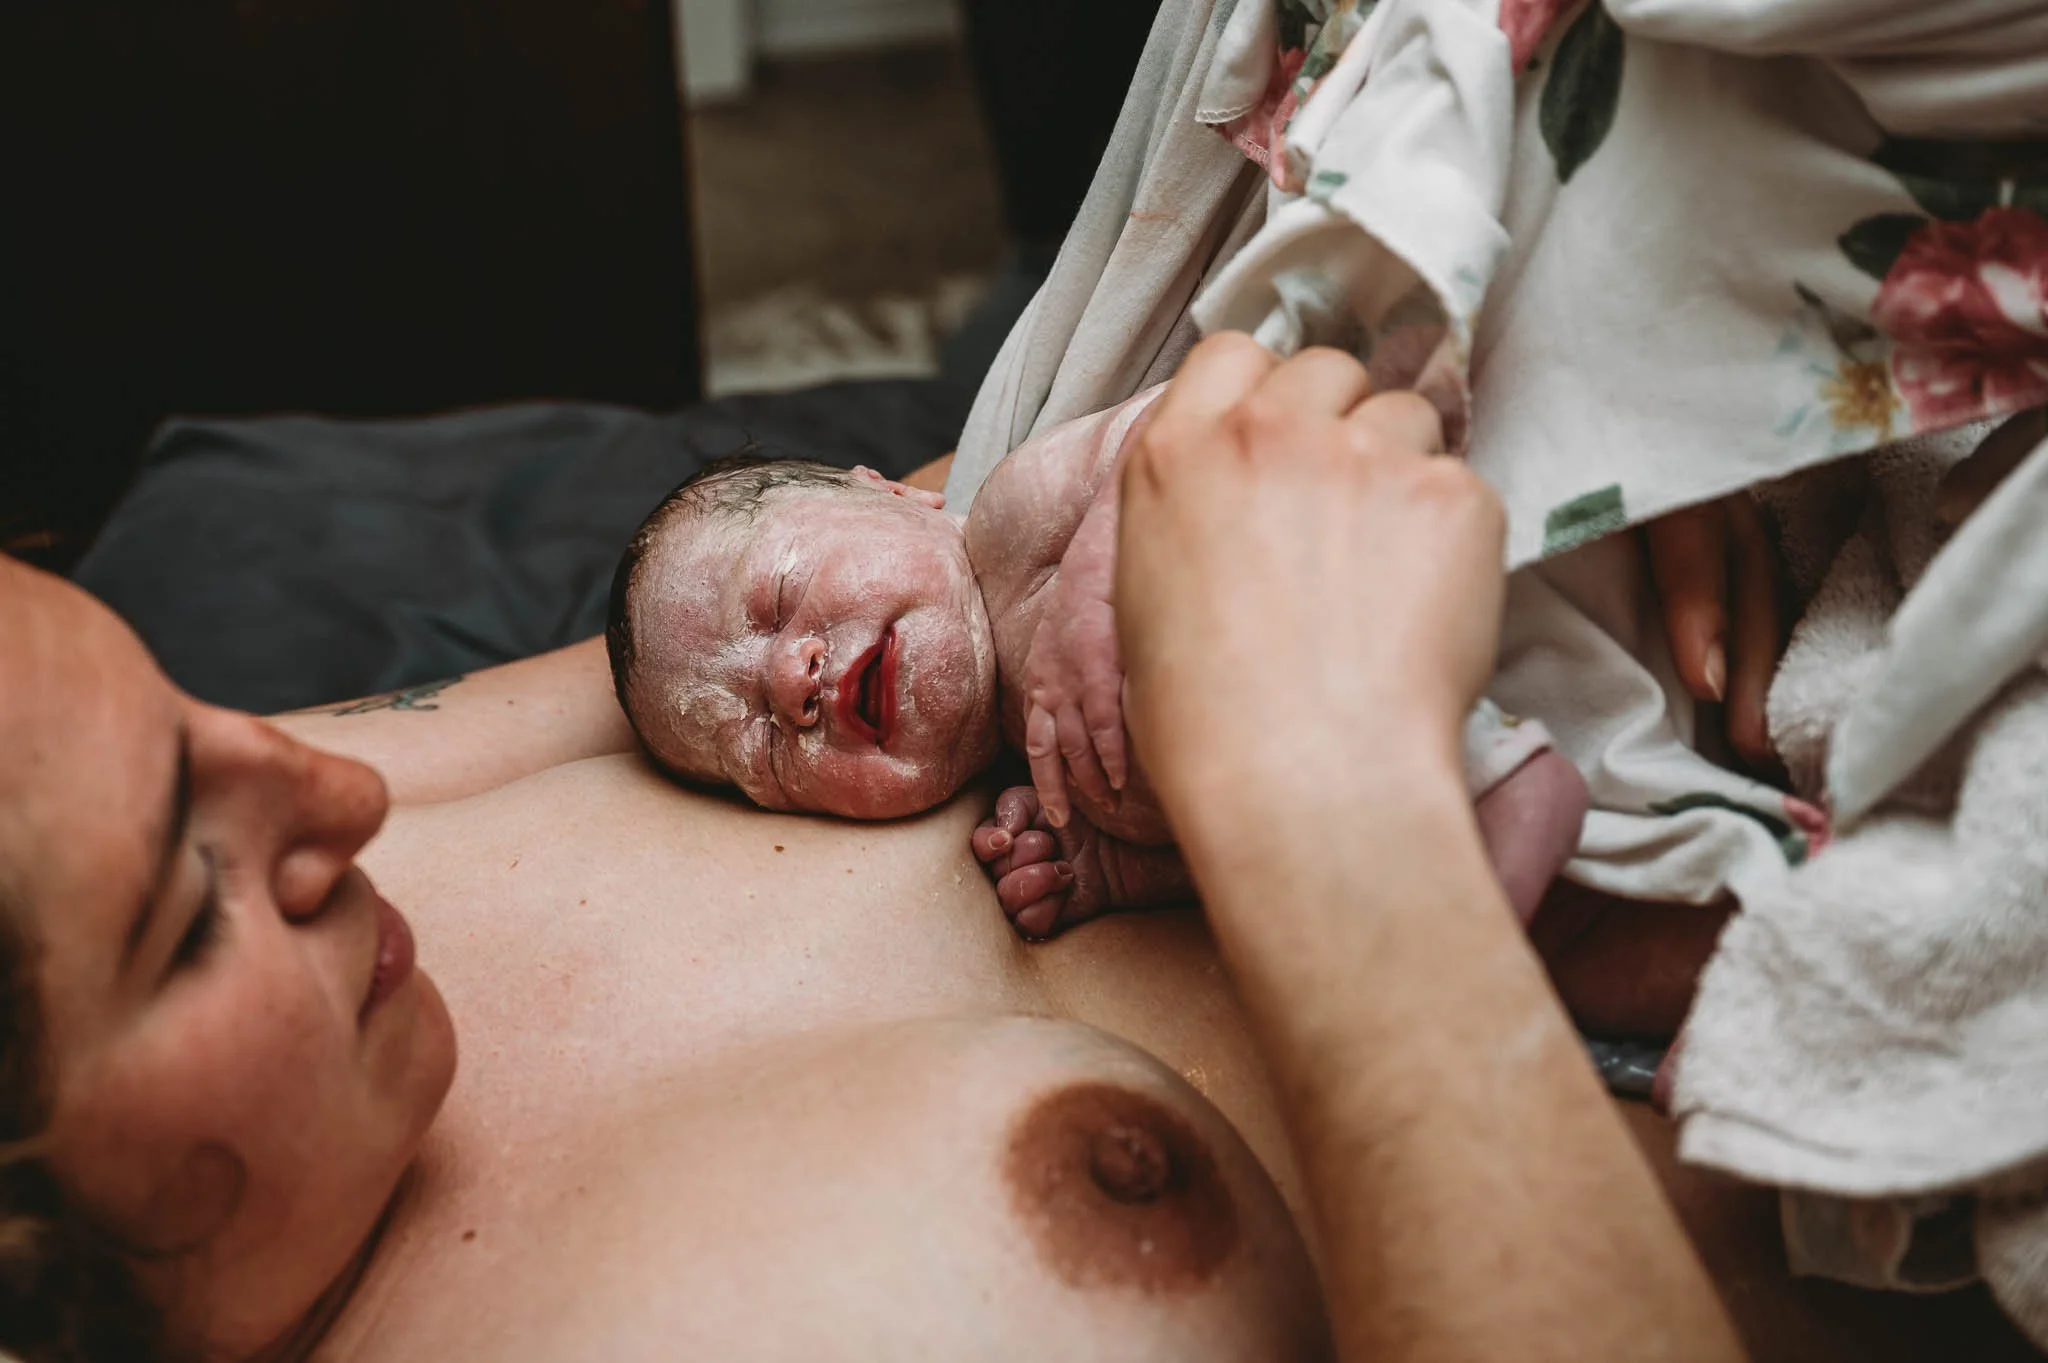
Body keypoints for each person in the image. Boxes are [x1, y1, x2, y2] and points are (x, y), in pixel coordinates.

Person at [3, 340, 2033, 1363]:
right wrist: (1332, 813)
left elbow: (902, 534)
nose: (333, 799)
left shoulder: (270, 793)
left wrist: (1577, 407)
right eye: (183, 911)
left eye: (207, 725)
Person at [606, 383, 1586, 936]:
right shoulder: (1043, 787)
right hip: (1359, 795)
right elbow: (1217, 841)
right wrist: (1112, 871)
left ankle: (1496, 779)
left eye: (778, 595)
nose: (790, 683)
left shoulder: (1014, 518)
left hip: (1366, 605)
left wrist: (1101, 568)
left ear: (894, 494)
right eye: (765, 749)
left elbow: (1198, 412)